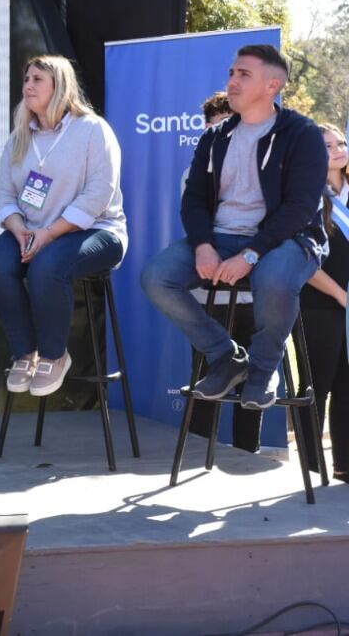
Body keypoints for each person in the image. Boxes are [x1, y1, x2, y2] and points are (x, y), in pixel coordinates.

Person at [141, 44, 328, 411]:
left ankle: (262, 370)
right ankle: (226, 356)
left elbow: (300, 208)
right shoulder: (216, 136)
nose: (232, 81)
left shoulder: (301, 134)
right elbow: (193, 199)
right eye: (231, 73)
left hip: (288, 239)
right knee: (156, 277)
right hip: (222, 236)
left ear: (273, 85)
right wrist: (202, 245)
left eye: (244, 74)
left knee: (273, 279)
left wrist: (252, 253)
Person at [0, 55, 127, 397]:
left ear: (59, 85)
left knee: (46, 268)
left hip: (97, 231)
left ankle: (53, 355)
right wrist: (18, 229)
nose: (28, 86)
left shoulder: (92, 129)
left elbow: (99, 194)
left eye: (37, 80)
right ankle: (25, 353)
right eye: (26, 79)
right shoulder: (19, 137)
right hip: (30, 229)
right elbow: (3, 194)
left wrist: (47, 234)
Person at [185, 90, 262, 453]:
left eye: (227, 124)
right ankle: (201, 452)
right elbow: (197, 224)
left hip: (254, 292)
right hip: (210, 292)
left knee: (252, 380)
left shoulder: (264, 168)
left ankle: (248, 454)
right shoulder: (195, 172)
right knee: (210, 375)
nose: (221, 134)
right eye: (213, 127)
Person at [297, 123, 349, 481]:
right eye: (327, 144)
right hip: (321, 305)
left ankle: (345, 466)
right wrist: (342, 295)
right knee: (319, 384)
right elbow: (304, 264)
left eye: (341, 142)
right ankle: (312, 471)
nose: (337, 148)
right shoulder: (305, 197)